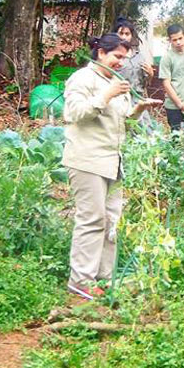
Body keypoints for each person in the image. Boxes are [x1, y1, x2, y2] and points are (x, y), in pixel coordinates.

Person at [62, 34, 161, 300]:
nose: (120, 63)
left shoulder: (116, 83)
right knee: (91, 219)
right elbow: (75, 114)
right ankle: (81, 280)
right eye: (117, 57)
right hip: (88, 160)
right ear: (100, 53)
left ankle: (105, 276)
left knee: (112, 221)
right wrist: (105, 96)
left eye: (124, 58)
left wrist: (138, 109)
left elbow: (123, 124)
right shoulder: (82, 79)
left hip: (113, 161)